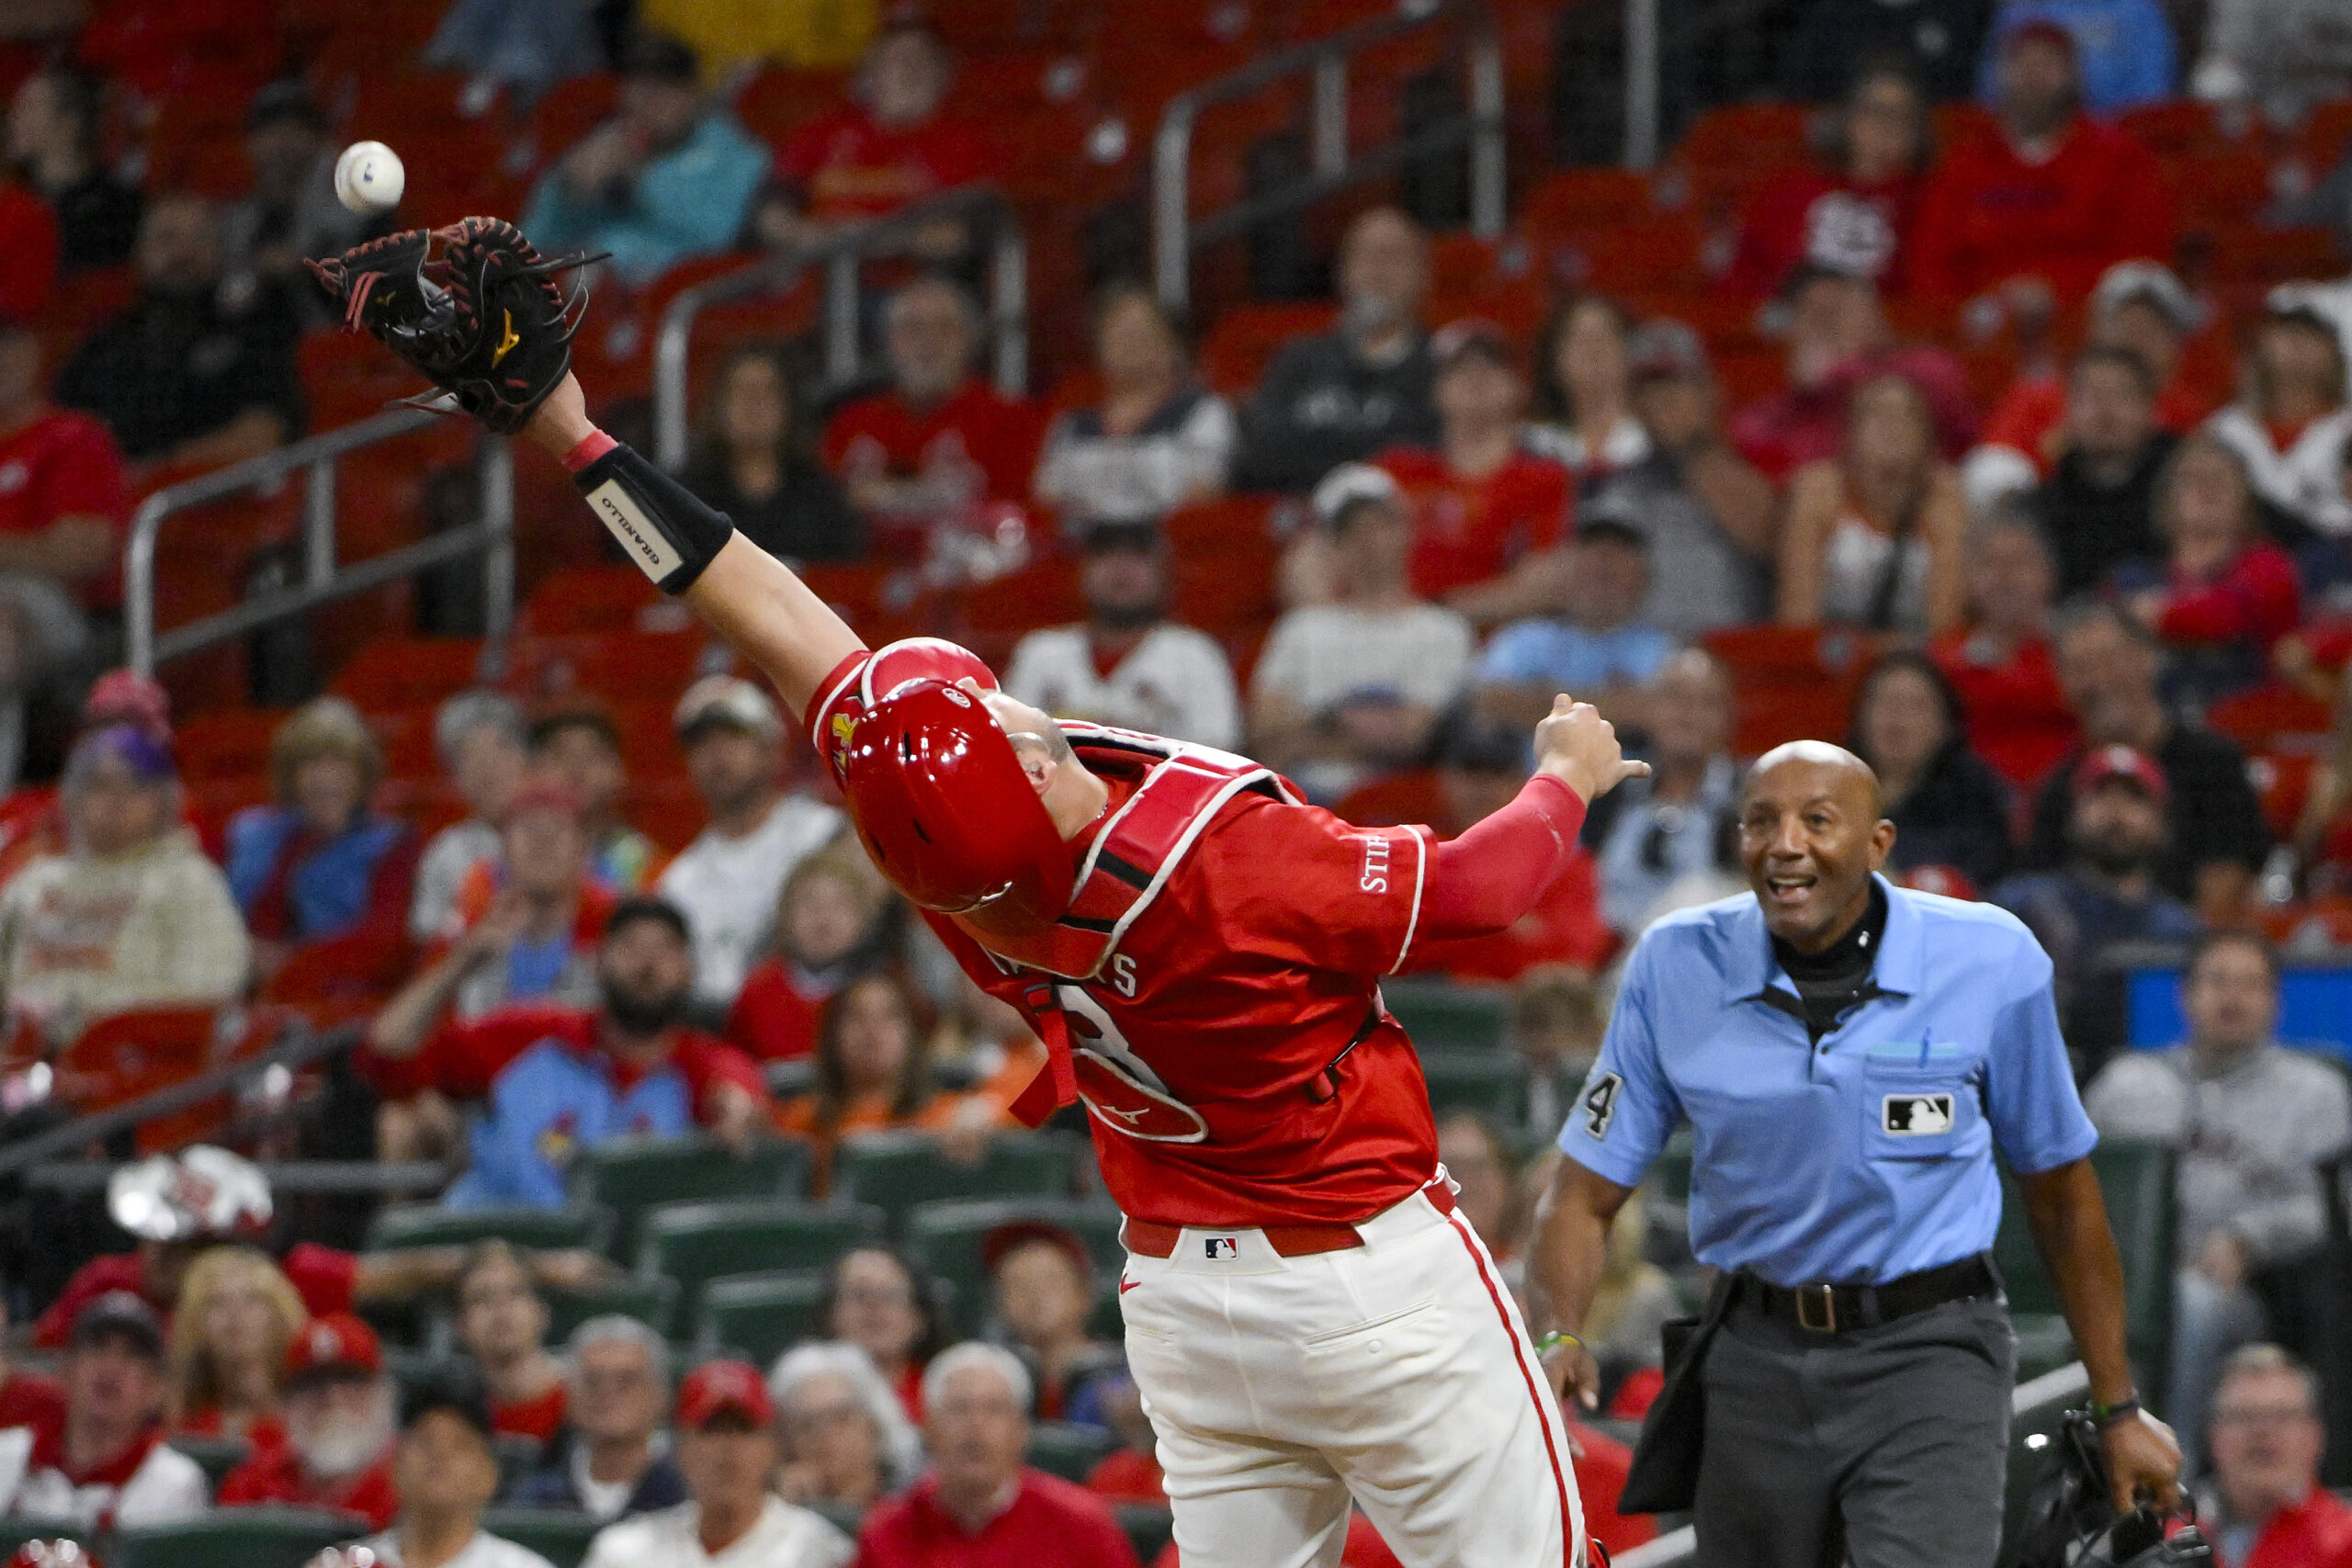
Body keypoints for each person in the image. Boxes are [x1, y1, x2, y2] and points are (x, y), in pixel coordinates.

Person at [397, 267, 1679, 1565]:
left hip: (1187, 1304)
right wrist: (1566, 772)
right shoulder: (1222, 870)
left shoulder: (933, 840)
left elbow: (757, 603)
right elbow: (1480, 888)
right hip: (1365, 1282)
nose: (995, 693)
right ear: (1023, 762)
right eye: (988, 705)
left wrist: (570, 433)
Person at [1529, 739, 2183, 1567]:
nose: (1786, 843)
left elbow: (2061, 1192)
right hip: (1752, 1352)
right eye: (1761, 821)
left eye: (1817, 820)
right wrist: (1557, 1337)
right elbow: (1581, 1193)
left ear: (1877, 846)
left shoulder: (1990, 958)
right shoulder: (1673, 962)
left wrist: (2120, 1408)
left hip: (1930, 1348)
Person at [2083, 933, 2352, 1475]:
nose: (2233, 997)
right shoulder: (2128, 1084)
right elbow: (2079, 1191)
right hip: (2123, 1279)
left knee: (2194, 1302)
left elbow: (2331, 1212)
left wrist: (2248, 1236)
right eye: (2217, 981)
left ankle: (2167, 1478)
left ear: (2276, 1001)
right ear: (2185, 996)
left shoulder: (2315, 1091)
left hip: (2250, 1289)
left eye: (2251, 984)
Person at [363, 897, 772, 1209]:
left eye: (665, 949)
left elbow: (739, 1090)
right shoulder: (534, 1036)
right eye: (629, 947)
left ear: (689, 971)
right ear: (598, 963)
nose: (647, 963)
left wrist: (740, 1106)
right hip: (502, 1246)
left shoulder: (699, 1064)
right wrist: (464, 959)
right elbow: (387, 1048)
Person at [2023, 600, 2271, 920]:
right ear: (2063, 686)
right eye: (2081, 668)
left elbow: (2227, 882)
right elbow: (2043, 902)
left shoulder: (2212, 764)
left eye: (2110, 660)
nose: (2100, 680)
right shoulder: (2059, 789)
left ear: (2148, 658)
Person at [1247, 465, 1475, 802]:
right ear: (1334, 546)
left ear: (1405, 531)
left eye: (1379, 525)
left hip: (1398, 804)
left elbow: (1412, 738)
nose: (1366, 539)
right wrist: (1350, 726)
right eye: (1351, 531)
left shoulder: (1443, 629)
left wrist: (1313, 732)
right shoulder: (1301, 629)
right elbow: (1265, 736)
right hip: (1304, 800)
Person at [0, 725, 248, 1033]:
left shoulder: (189, 881)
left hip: (134, 1057)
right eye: (99, 786)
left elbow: (207, 994)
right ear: (73, 800)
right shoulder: (34, 882)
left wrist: (91, 1021)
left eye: (135, 787)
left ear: (165, 800)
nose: (116, 801)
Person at [1910, 20, 2176, 306]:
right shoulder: (1966, 162)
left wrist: (2058, 291)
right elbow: (1929, 259)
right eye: (2021, 63)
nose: (2032, 75)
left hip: (2086, 321)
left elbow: (2141, 265)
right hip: (1977, 325)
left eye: (2047, 63)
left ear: (2074, 75)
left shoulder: (2121, 159)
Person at [51, 192, 303, 477]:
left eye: (199, 239)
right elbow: (61, 444)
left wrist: (157, 473)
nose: (184, 254)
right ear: (139, 252)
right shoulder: (102, 347)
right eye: (166, 239)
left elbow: (263, 435)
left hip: (219, 503)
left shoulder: (256, 330)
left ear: (221, 251)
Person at [1993, 744, 2201, 1074]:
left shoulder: (2181, 930)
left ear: (2161, 824)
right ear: (2073, 816)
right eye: (2100, 797)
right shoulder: (2023, 906)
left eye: (2134, 800)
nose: (2115, 812)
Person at [518, 32, 770, 288]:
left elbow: (717, 236)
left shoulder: (736, 155)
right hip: (591, 293)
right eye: (640, 86)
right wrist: (568, 190)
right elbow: (535, 239)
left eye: (665, 89)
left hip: (680, 295)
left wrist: (637, 186)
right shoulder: (607, 144)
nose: (649, 102)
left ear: (694, 96)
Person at [1365, 319, 1573, 626]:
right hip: (1388, 633)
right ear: (1437, 390)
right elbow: (1314, 552)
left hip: (1494, 645)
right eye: (1458, 368)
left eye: (1492, 366)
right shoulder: (1396, 469)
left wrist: (1433, 617)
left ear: (1518, 388)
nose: (1476, 376)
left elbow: (1547, 581)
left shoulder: (1545, 478)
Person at [656, 675, 844, 1011]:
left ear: (771, 750)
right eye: (701, 743)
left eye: (733, 737)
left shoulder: (824, 834)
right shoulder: (678, 883)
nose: (717, 755)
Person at [854, 1345, 1137, 1568]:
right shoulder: (887, 1531)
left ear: (1021, 1431)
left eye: (995, 1409)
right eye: (959, 1408)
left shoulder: (1083, 1525)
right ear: (928, 1429)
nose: (976, 1424)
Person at [819, 276, 1046, 549]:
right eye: (912, 329)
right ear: (890, 341)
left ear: (969, 342)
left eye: (944, 329)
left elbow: (1017, 522)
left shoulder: (1010, 419)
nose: (928, 343)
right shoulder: (850, 423)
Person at [1578, 319, 1771, 638]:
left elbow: (1767, 541)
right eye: (1649, 391)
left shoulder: (1751, 468)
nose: (1664, 400)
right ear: (1634, 406)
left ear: (1710, 392)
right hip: (1643, 661)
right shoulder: (1622, 486)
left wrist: (1694, 453)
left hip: (1732, 658)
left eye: (1676, 385)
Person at [1233, 207, 1440, 492]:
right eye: (1364, 256)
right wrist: (1372, 450)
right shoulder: (1298, 359)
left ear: (1423, 274)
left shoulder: (1440, 366)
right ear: (1343, 273)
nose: (1377, 269)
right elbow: (1260, 454)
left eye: (1393, 256)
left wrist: (1316, 443)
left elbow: (1428, 459)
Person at [380, 783, 615, 1031]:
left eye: (558, 830)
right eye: (529, 830)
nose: (543, 842)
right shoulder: (468, 927)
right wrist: (466, 959)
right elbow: (391, 1037)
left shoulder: (616, 927)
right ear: (504, 849)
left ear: (583, 850)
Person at [1969, 262, 2209, 500]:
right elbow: (1990, 475)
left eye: (2155, 327)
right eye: (2127, 323)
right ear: (2094, 330)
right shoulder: (2037, 401)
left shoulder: (2190, 415)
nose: (2138, 337)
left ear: (2177, 346)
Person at [578, 1361, 854, 1568]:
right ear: (680, 1450)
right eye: (711, 1430)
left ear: (774, 1448)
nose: (728, 1448)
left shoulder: (817, 1553)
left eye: (744, 1430)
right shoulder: (626, 1552)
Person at [1405, 716, 1614, 984]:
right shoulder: (1418, 854)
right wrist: (1506, 929)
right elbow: (1395, 949)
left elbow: (1574, 958)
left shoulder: (1566, 863)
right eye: (1471, 773)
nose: (1482, 789)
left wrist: (1458, 926)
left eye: (1497, 774)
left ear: (1523, 782)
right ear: (1444, 781)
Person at [225, 697, 418, 985]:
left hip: (337, 992)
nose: (326, 778)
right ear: (291, 775)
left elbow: (382, 942)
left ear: (363, 773)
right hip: (240, 985)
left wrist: (291, 962)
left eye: (340, 763)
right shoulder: (250, 832)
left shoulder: (392, 843)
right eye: (312, 763)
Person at [1001, 522, 1241, 750]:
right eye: (1105, 555)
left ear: (1165, 574)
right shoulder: (1041, 651)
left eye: (1138, 556)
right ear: (1082, 572)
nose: (1121, 568)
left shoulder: (1194, 654)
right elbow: (1011, 742)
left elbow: (1219, 752)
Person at [1729, 265, 1976, 485]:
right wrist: (1807, 394)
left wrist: (1843, 371)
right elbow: (1755, 449)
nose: (1834, 327)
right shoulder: (1782, 410)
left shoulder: (1928, 365)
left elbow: (1946, 409)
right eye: (1820, 318)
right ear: (1793, 329)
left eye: (1843, 312)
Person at [758, 18, 987, 250]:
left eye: (925, 58)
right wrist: (798, 231)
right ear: (870, 74)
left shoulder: (964, 142)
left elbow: (961, 235)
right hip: (822, 266)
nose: (912, 67)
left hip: (914, 271)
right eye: (899, 58)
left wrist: (873, 238)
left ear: (942, 76)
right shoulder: (825, 131)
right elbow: (772, 206)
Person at [1777, 372, 1969, 636]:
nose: (1893, 425)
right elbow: (1798, 619)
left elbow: (1945, 627)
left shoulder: (1943, 497)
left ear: (1927, 438)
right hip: (1835, 650)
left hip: (1914, 651)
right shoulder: (1821, 491)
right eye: (1878, 413)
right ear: (1851, 434)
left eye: (1907, 415)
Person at [1034, 288, 1233, 532]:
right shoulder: (1072, 426)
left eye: (1141, 333)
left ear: (1171, 344)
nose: (1129, 343)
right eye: (1118, 333)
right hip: (1084, 554)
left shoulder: (1202, 414)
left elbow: (1203, 495)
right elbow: (1048, 503)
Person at [1726, 62, 1929, 299]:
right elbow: (1745, 274)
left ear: (1918, 133)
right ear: (1849, 119)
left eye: (1901, 116)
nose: (1886, 126)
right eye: (1875, 111)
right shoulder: (1795, 191)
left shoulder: (1928, 202)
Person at [2127, 433, 2301, 706]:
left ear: (2245, 502)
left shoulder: (2269, 566)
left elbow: (2231, 613)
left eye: (2221, 479)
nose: (2209, 489)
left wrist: (2161, 616)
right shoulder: (2134, 577)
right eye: (2195, 479)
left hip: (2248, 719)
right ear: (2168, 500)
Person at [5, 1294, 206, 1529]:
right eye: (97, 1348)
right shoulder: (6, 1455)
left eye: (132, 1355)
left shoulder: (177, 1483)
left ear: (157, 1389)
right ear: (65, 1371)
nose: (111, 1368)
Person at [1584, 649, 1744, 939]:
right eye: (1676, 699)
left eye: (1708, 703)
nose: (1690, 716)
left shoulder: (1749, 799)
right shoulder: (1607, 790)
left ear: (1730, 718)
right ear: (1648, 709)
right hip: (1609, 955)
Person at [774, 969, 1003, 1169]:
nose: (871, 1030)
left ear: (913, 1035)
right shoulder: (801, 1122)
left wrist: (983, 1113)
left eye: (889, 1016)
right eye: (856, 1016)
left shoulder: (945, 1118)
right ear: (832, 1034)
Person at [0, 287, 130, 621]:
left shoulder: (72, 436)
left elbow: (83, 553)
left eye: (7, 340)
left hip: (44, 600)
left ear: (33, 348)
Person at [1929, 504, 2080, 792]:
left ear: (2049, 573)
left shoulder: (2079, 653)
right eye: (1990, 563)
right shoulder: (1942, 661)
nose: (2005, 577)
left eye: (2019, 562)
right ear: (1969, 580)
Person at [1475, 521, 1673, 736]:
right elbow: (1488, 701)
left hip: (1628, 768)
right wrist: (1614, 704)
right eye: (1590, 547)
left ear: (1642, 577)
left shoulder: (1661, 649)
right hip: (1532, 768)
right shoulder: (1524, 637)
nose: (1603, 559)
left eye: (1619, 552)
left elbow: (1658, 712)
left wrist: (1542, 701)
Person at [681, 345, 865, 567]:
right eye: (741, 391)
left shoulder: (824, 504)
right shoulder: (685, 498)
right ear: (718, 406)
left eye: (767, 391)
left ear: (788, 406)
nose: (754, 403)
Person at [1847, 652, 2014, 890]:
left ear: (1946, 724)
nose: (1896, 716)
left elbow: (1981, 879)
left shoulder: (1975, 797)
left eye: (1916, 705)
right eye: (1883, 701)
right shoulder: (1829, 788)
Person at [356, 1374, 560, 1568]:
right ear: (395, 1465)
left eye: (460, 1444)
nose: (439, 1455)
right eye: (425, 1441)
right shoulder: (350, 1563)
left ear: (489, 1473)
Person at [218, 1313, 398, 1529]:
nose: (332, 1399)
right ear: (288, 1403)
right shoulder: (253, 1486)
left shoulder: (410, 1485)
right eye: (314, 1384)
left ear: (380, 1394)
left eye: (348, 1379)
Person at [2025, 346, 2178, 596]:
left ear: (2150, 410)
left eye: (2121, 395)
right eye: (2092, 396)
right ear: (2069, 412)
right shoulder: (2044, 506)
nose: (2105, 411)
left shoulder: (2182, 488)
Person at [726, 845, 895, 1063]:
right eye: (809, 902)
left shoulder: (889, 987)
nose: (823, 917)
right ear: (784, 915)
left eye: (839, 904)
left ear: (863, 919)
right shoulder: (756, 991)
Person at [512, 1316, 687, 1521]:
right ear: (570, 1399)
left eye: (626, 1380)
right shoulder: (535, 1501)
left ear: (661, 1397)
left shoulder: (690, 1493)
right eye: (592, 1381)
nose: (608, 1392)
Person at [220, 82, 377, 310]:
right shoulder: (238, 219)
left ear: (317, 140)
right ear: (250, 144)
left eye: (294, 131)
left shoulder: (351, 211)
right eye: (271, 132)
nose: (282, 143)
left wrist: (302, 266)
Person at [2192, 1345, 2352, 1568]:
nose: (2263, 1431)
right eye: (2244, 1416)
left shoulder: (2346, 1544)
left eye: (2282, 1416)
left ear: (2316, 1436)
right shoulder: (2166, 1541)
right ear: (2213, 1436)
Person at [2204, 302, 2352, 539]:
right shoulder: (2225, 429)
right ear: (2262, 343)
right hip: (2242, 563)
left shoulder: (2346, 430)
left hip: (2332, 559)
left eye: (2313, 334)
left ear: (2334, 351)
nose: (2298, 342)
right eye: (2287, 330)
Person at [411, 691, 530, 944]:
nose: (488, 769)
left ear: (526, 757)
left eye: (500, 750)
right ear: (455, 780)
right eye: (470, 757)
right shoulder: (446, 853)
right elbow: (429, 942)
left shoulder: (565, 836)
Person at [981, 1222, 1120, 1425]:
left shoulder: (1121, 1377)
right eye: (1018, 1285)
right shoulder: (987, 1381)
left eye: (1049, 1281)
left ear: (1083, 1294)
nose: (1035, 1296)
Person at [5, 67, 140, 274]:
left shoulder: (117, 206)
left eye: (29, 107)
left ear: (69, 123)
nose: (14, 117)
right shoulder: (11, 197)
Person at [165, 1245, 303, 1445]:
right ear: (194, 1324)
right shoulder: (184, 1426)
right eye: (216, 1302)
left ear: (279, 1315)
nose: (235, 1312)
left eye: (253, 1299)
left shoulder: (313, 1409)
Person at [767, 1343, 922, 1513]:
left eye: (841, 1419)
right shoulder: (776, 1510)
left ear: (874, 1425)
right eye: (807, 1425)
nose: (825, 1434)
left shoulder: (916, 1501)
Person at [1521, 297, 1648, 495]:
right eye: (1579, 338)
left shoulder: (1658, 440)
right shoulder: (1530, 446)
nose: (1594, 348)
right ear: (1555, 360)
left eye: (1607, 335)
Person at [527, 705, 658, 896]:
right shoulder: (514, 858)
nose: (576, 769)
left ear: (618, 772)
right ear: (532, 771)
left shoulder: (642, 860)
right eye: (560, 756)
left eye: (592, 756)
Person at [452, 1241, 569, 1448]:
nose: (500, 1307)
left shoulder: (582, 1400)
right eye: (481, 1297)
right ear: (461, 1325)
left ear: (542, 1313)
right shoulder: (453, 1417)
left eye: (516, 1292)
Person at [814, 1248, 949, 1424]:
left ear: (920, 1318)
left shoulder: (944, 1396)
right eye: (859, 1295)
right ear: (831, 1314)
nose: (874, 1305)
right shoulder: (805, 1396)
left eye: (890, 1295)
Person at [1973, 0, 2177, 112]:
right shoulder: (2020, 11)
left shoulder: (2139, 11)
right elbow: (1991, 89)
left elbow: (2152, 97)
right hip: (2028, 145)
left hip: (2115, 149)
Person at [1776, 0, 1994, 101]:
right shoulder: (1830, 15)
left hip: (1943, 160)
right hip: (1844, 165)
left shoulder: (1965, 12)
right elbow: (1802, 101)